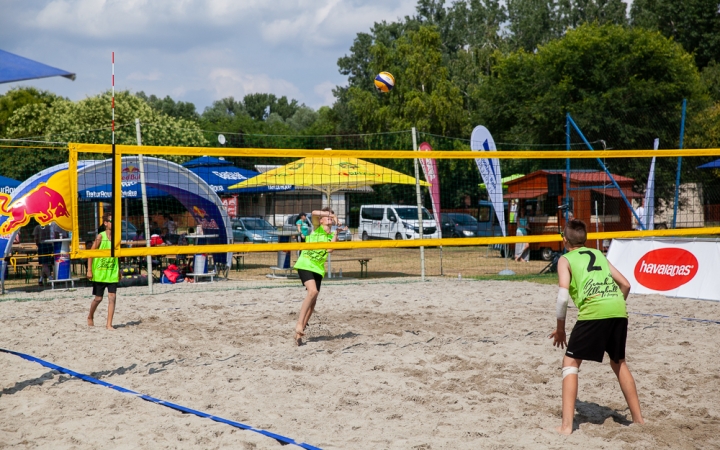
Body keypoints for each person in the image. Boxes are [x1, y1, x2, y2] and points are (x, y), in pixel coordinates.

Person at [549, 219, 644, 435]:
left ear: (564, 240)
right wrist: (613, 305)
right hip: (619, 308)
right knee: (619, 362)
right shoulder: (599, 254)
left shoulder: (565, 259)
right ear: (586, 239)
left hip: (594, 311)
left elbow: (562, 297)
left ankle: (566, 427)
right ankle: (639, 420)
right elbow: (626, 284)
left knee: (570, 361)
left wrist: (561, 329)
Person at [292, 207, 348, 346]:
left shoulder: (330, 235)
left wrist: (336, 232)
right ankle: (299, 324)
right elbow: (314, 213)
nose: (329, 218)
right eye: (327, 217)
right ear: (321, 220)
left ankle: (299, 334)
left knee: (313, 302)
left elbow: (330, 249)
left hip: (317, 268)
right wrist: (332, 215)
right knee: (313, 291)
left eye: (331, 217)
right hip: (305, 263)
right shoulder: (317, 227)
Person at [87, 213, 121, 330]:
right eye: (111, 221)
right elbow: (90, 254)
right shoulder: (100, 237)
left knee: (112, 297)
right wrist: (89, 270)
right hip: (100, 272)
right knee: (98, 298)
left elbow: (118, 255)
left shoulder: (117, 237)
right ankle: (90, 316)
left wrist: (119, 270)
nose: (114, 223)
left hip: (112, 272)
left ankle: (109, 324)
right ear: (105, 223)